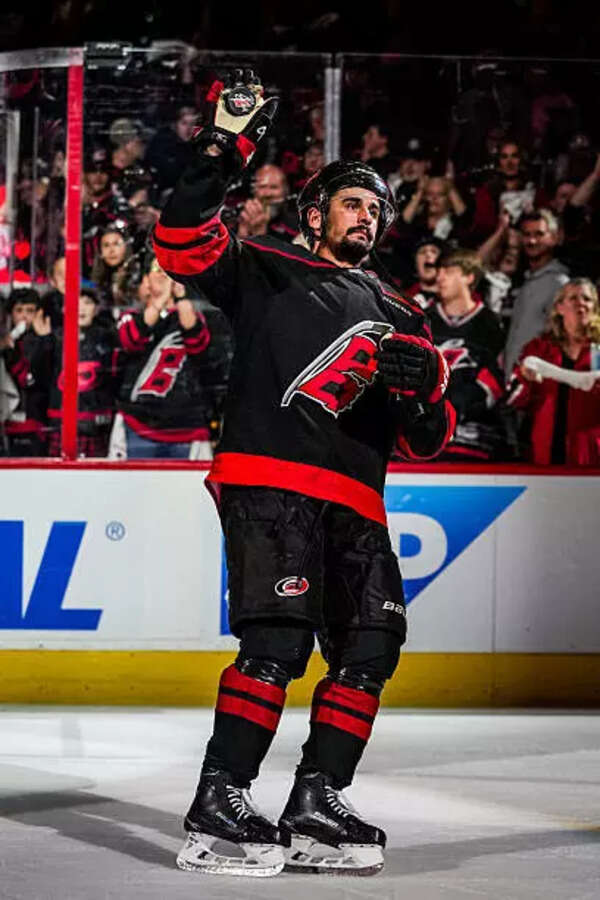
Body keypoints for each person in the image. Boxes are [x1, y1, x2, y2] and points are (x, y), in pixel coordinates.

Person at [153, 73, 454, 877]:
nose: (370, 216)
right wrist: (222, 148)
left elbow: (425, 439)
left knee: (372, 644)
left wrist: (424, 392)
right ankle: (221, 795)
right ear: (315, 213)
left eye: (378, 209)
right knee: (278, 644)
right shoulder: (265, 267)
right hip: (273, 482)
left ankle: (317, 796)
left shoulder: (404, 313)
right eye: (353, 202)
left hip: (358, 501)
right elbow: (181, 238)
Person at [109, 258, 212, 460]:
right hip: (137, 426)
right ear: (145, 281)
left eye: (170, 272)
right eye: (158, 271)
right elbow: (131, 340)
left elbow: (198, 342)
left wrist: (180, 296)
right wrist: (159, 300)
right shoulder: (131, 316)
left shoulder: (189, 314)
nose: (165, 277)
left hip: (185, 428)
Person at [506, 279, 600, 465]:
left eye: (587, 299)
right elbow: (513, 399)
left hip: (593, 453)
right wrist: (525, 378)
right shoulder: (540, 348)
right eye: (573, 298)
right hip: (545, 452)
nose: (581, 303)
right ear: (559, 308)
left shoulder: (598, 349)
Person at [427, 250, 506, 461]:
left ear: (470, 277)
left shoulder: (490, 323)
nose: (440, 277)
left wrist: (460, 405)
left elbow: (495, 379)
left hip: (474, 436)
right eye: (439, 271)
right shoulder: (424, 318)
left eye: (449, 271)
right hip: (428, 433)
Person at [47, 287, 117, 458]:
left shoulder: (107, 338)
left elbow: (114, 377)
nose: (82, 308)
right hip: (61, 426)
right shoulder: (53, 339)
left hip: (96, 426)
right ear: (64, 309)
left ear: (96, 309)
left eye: (88, 302)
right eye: (76, 302)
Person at [504, 209, 569, 375]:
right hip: (514, 379)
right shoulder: (522, 280)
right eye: (526, 234)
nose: (532, 241)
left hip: (539, 381)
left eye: (539, 234)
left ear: (554, 238)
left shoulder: (559, 283)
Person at [0, 288, 53, 456]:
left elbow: (35, 378)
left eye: (30, 311)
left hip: (37, 420)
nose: (24, 316)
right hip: (9, 420)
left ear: (39, 313)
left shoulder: (47, 341)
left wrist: (45, 340)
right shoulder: (7, 341)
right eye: (19, 311)